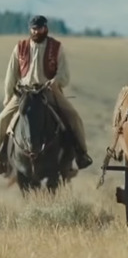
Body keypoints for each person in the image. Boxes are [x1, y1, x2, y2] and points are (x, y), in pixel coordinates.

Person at [0, 15, 93, 172]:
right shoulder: (20, 47)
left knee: (73, 116)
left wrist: (56, 81)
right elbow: (11, 76)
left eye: (40, 28)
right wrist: (8, 98)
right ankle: (2, 156)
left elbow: (64, 74)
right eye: (34, 28)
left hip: (48, 91)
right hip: (24, 92)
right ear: (30, 29)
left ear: (46, 28)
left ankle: (81, 153)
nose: (37, 31)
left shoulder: (56, 47)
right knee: (2, 119)